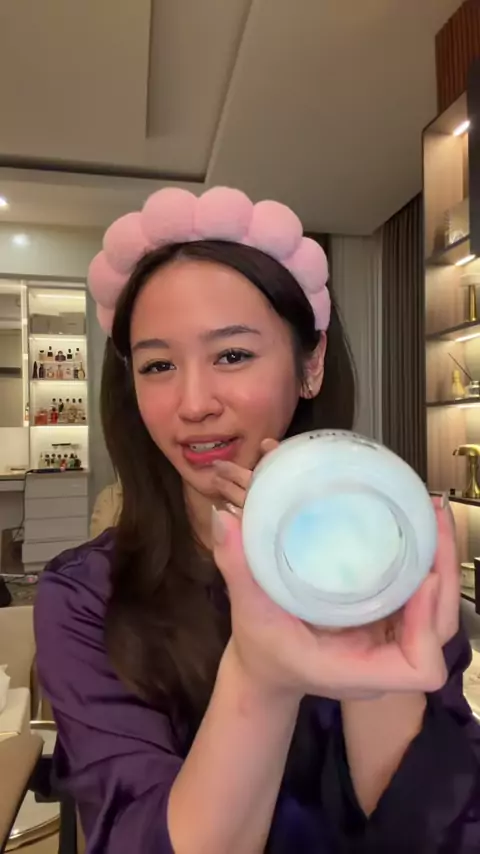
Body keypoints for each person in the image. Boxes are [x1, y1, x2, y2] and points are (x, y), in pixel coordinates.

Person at [34, 187, 480, 854]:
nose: (193, 403)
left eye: (232, 355)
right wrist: (260, 675)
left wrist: (367, 640)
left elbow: (441, 835)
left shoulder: (393, 554)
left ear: (311, 364)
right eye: (158, 365)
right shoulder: (84, 595)